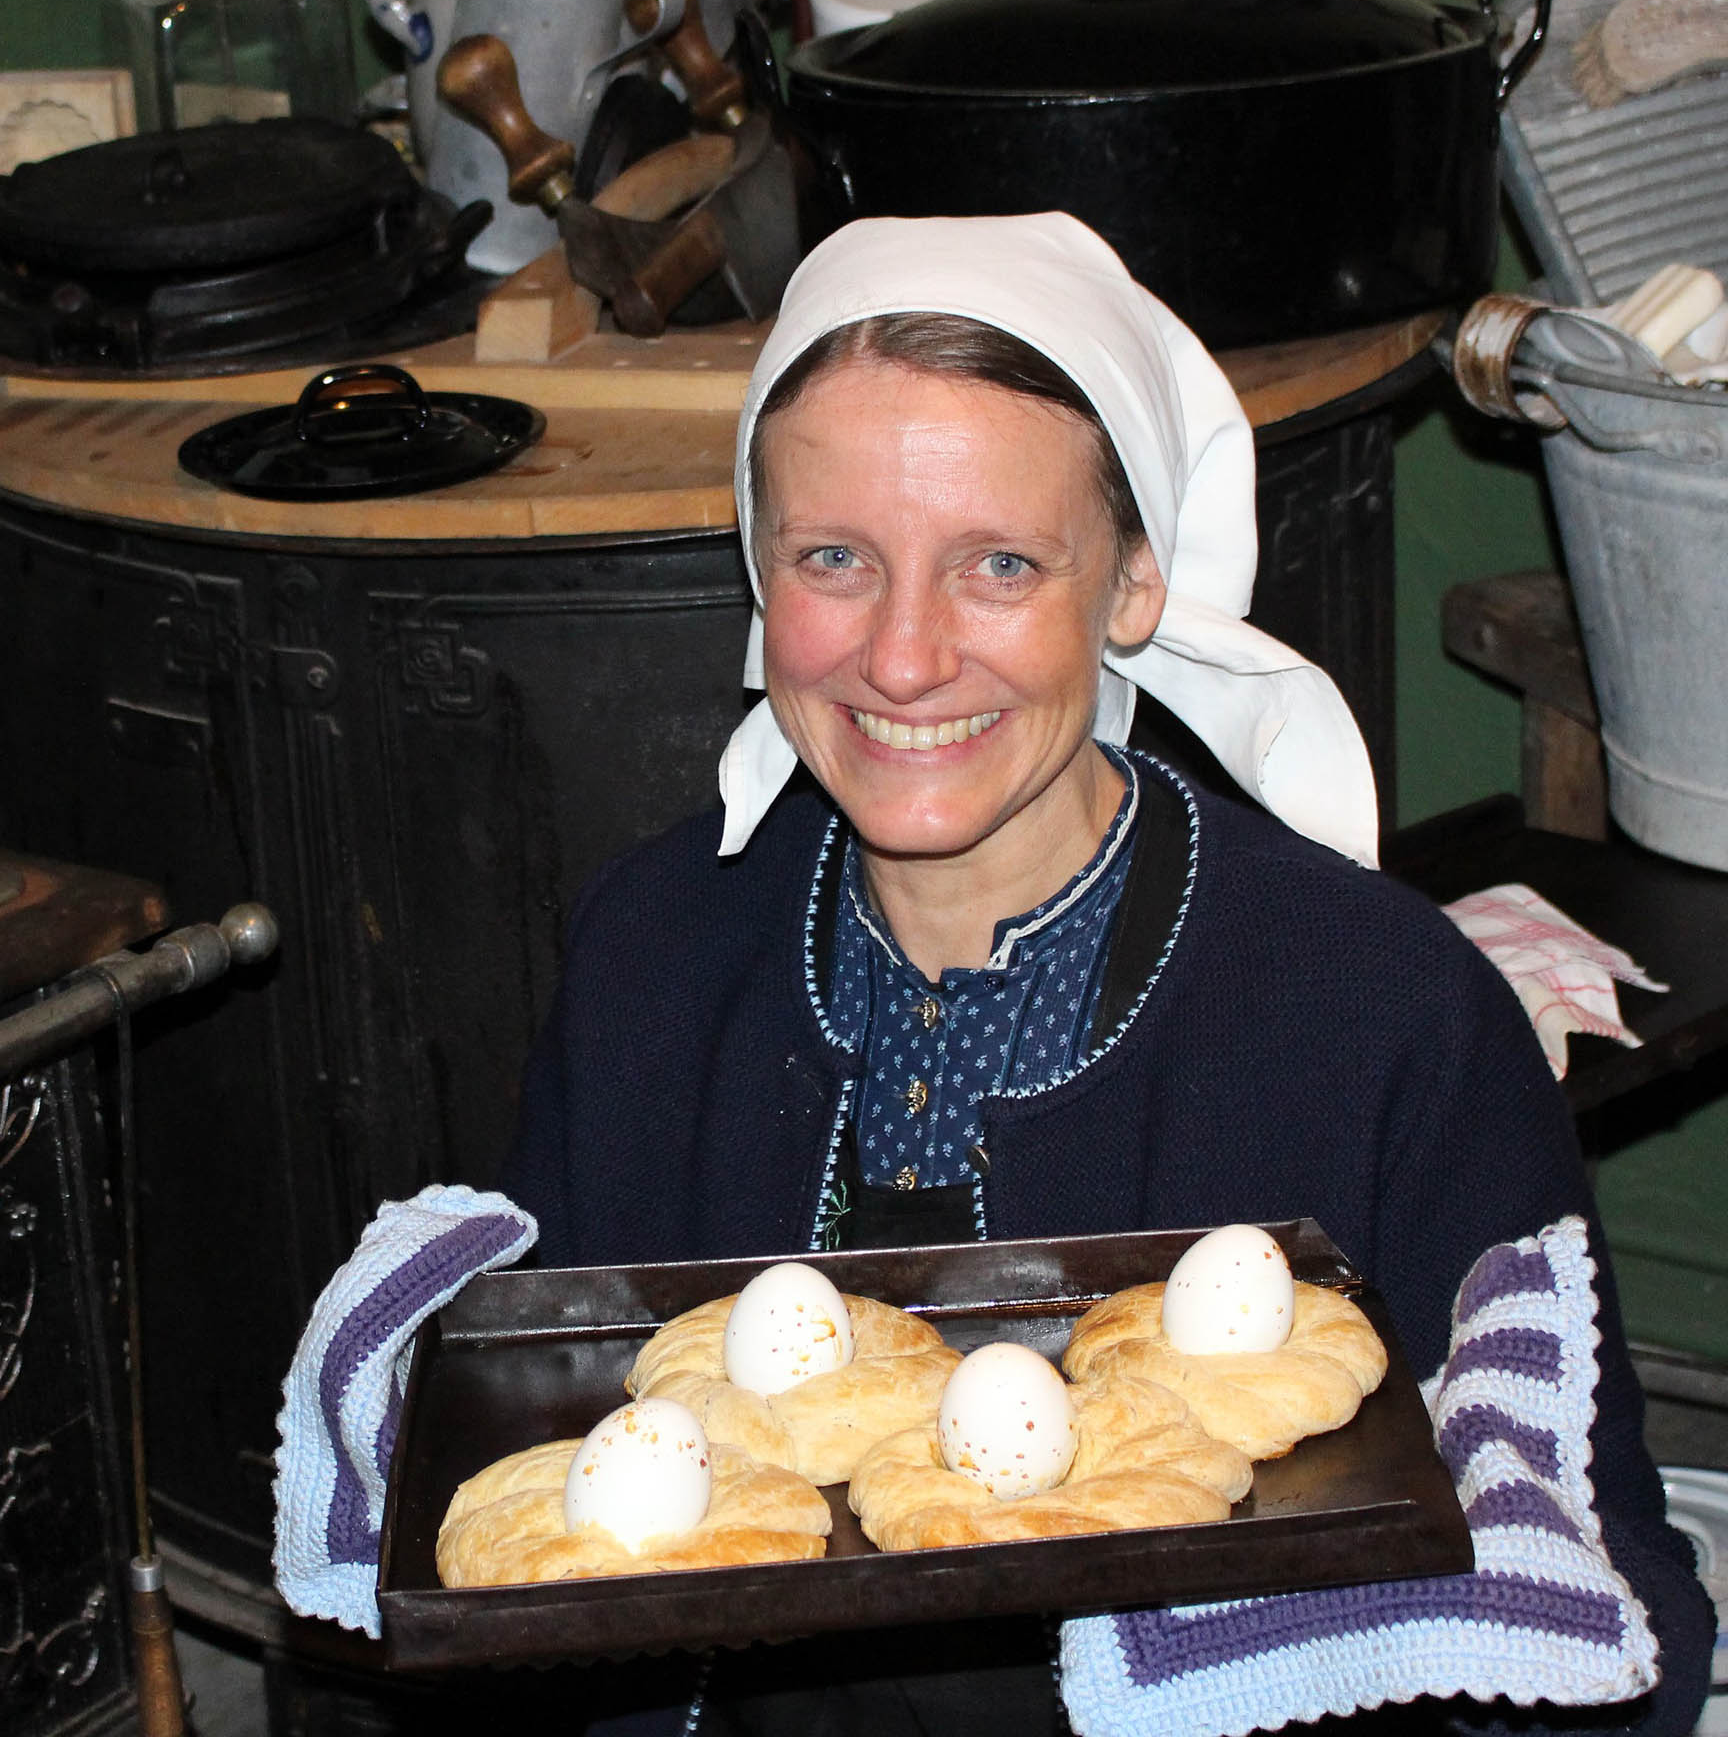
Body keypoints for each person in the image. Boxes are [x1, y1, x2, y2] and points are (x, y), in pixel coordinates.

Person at [504, 214, 1712, 1734]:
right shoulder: (654, 957)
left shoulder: (1373, 1010)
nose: (903, 656)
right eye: (835, 560)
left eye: (1001, 564)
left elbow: (1607, 1601)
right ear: (757, 566)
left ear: (1135, 582)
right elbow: (551, 1502)